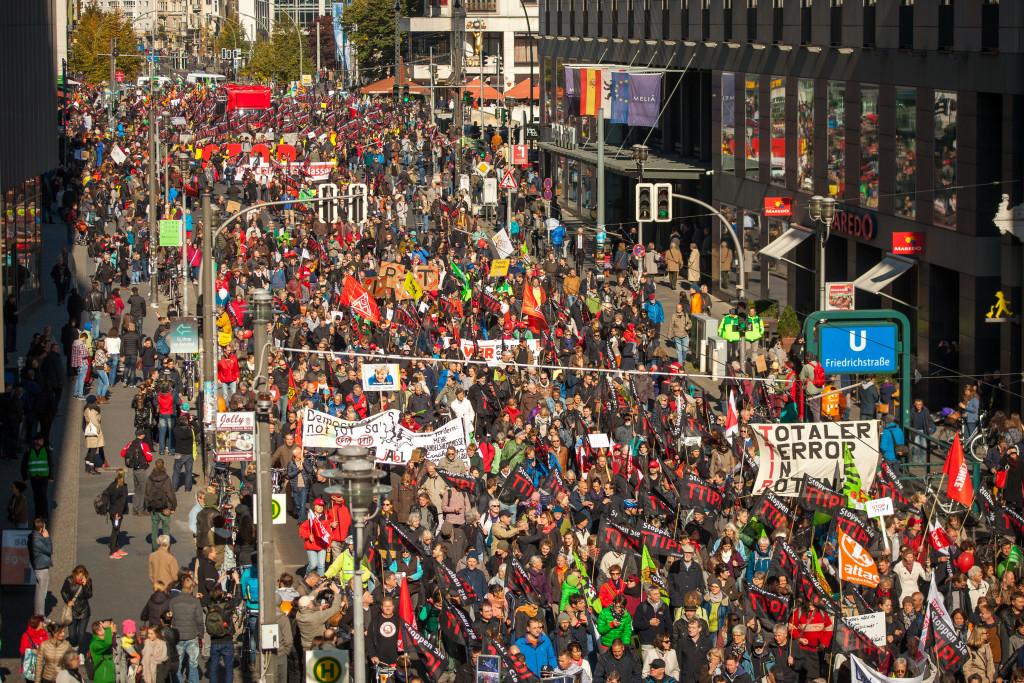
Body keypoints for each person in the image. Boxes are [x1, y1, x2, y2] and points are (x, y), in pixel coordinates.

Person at [144, 458, 176, 551]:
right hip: (165, 508)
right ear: (164, 466)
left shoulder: (150, 478)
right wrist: (173, 506)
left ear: (154, 466)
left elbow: (147, 493)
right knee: (166, 529)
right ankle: (166, 549)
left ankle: (155, 549)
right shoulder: (166, 478)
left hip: (154, 508)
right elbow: (170, 493)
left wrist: (148, 507)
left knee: (154, 530)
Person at [61, 565, 93, 655]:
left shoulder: (88, 581)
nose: (79, 578)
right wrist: (68, 601)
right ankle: (74, 646)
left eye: (81, 576)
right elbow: (63, 592)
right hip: (72, 611)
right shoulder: (69, 580)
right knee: (72, 635)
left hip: (84, 611)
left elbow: (89, 595)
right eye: (77, 576)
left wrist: (85, 585)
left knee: (81, 634)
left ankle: (82, 653)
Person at [21, 432, 53, 516]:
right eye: (40, 440)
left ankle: (44, 514)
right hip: (33, 476)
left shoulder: (46, 450)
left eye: (42, 439)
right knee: (36, 495)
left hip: (44, 476)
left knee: (43, 495)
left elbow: (51, 463)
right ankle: (38, 512)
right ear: (35, 441)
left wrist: (50, 476)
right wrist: (25, 478)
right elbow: (23, 465)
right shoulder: (29, 451)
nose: (42, 441)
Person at [104, 468, 129, 558]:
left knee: (116, 529)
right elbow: (122, 502)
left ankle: (116, 547)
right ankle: (112, 551)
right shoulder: (123, 487)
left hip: (112, 511)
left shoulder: (112, 485)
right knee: (115, 531)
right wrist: (119, 514)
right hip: (117, 513)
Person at [83, 395, 106, 472]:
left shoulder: (87, 408)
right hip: (94, 431)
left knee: (91, 449)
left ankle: (88, 465)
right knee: (93, 449)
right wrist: (98, 429)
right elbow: (94, 421)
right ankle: (91, 467)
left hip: (90, 431)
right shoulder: (91, 410)